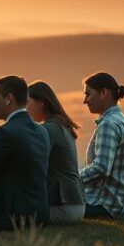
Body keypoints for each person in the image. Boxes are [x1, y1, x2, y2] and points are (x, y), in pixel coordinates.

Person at [0, 75, 51, 230]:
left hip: (11, 216)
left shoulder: (4, 133)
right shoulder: (42, 131)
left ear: (8, 99)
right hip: (39, 214)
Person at [80, 72, 124, 219]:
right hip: (121, 206)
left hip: (105, 205)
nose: (85, 100)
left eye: (88, 94)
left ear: (103, 93)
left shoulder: (108, 125)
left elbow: (101, 167)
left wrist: (73, 177)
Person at [26, 80, 85, 224]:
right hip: (77, 205)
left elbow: (31, 164)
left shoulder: (49, 129)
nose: (25, 108)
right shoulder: (61, 125)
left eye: (27, 102)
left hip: (63, 208)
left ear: (41, 102)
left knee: (10, 216)